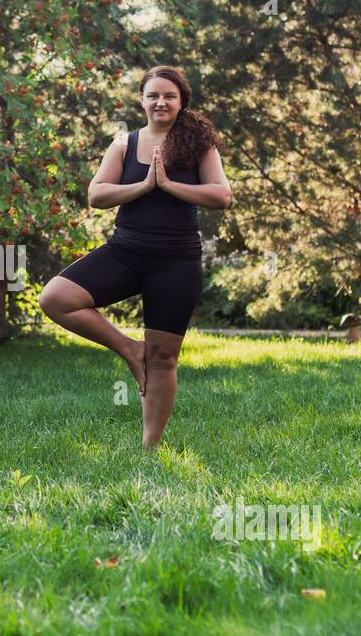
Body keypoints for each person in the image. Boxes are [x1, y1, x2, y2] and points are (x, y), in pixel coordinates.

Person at [38, 66, 232, 448]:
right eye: (153, 95)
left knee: (163, 357)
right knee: (56, 298)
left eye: (169, 96)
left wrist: (170, 185)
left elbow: (221, 196)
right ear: (142, 101)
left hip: (177, 260)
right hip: (126, 251)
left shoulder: (199, 146)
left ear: (181, 102)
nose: (161, 102)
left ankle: (149, 448)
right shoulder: (124, 144)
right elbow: (96, 196)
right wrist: (144, 184)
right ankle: (129, 349)